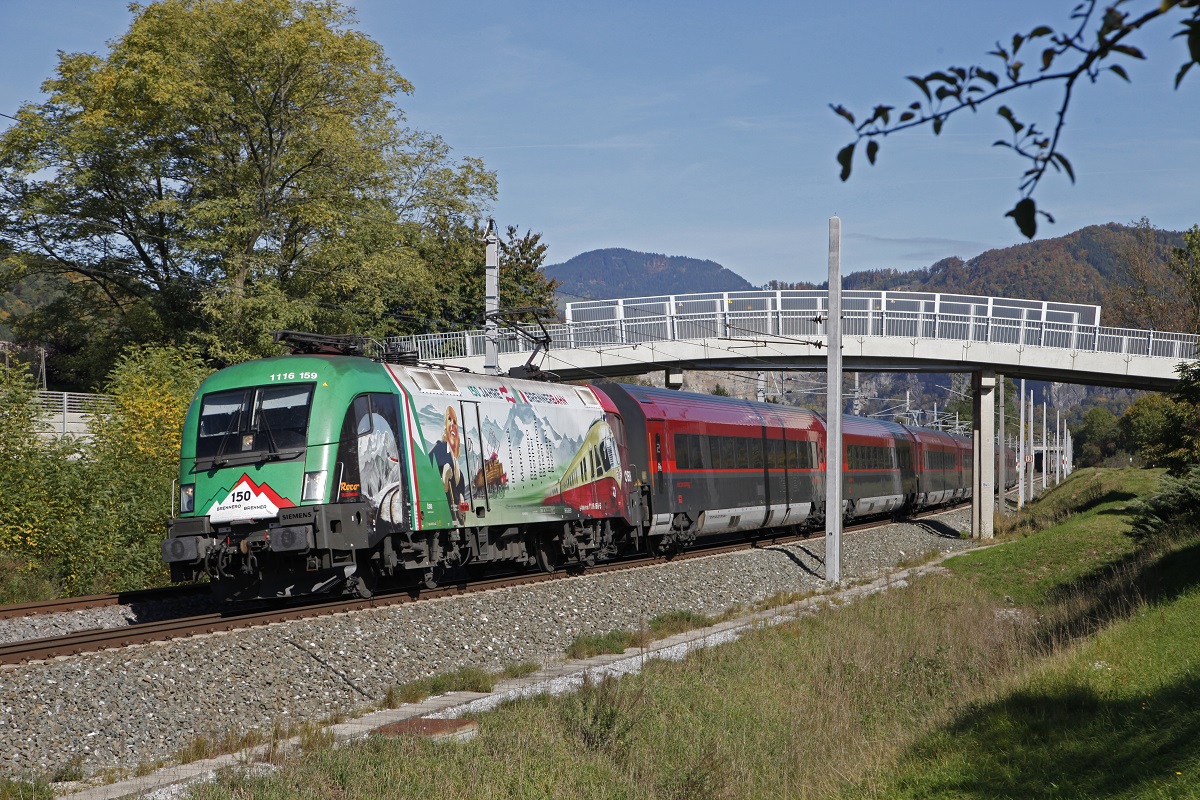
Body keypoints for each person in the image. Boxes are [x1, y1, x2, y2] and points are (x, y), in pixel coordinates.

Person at [430, 406, 467, 524]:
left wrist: (461, 497)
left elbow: (460, 481)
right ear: (445, 425)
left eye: (454, 421)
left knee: (456, 474)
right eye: (449, 420)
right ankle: (444, 484)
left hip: (454, 503)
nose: (452, 424)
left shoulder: (454, 458)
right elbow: (428, 466)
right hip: (444, 500)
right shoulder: (439, 447)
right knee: (447, 469)